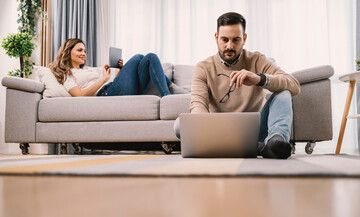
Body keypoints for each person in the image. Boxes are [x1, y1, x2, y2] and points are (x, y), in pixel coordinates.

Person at [184, 12, 300, 159]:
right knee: (179, 126)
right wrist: (205, 129)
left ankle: (274, 142)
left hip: (255, 131)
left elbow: (294, 85)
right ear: (216, 38)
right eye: (224, 39)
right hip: (219, 133)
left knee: (284, 93)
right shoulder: (203, 67)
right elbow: (198, 104)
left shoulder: (257, 60)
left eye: (236, 40)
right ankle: (258, 148)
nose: (229, 46)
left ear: (244, 38)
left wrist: (259, 79)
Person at [49, 38, 188, 97]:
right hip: (106, 94)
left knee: (149, 58)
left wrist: (119, 70)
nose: (83, 54)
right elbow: (78, 95)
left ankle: (170, 90)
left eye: (84, 51)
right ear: (68, 52)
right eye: (79, 50)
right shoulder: (66, 74)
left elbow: (116, 82)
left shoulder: (87, 69)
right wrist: (103, 79)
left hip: (114, 88)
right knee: (139, 57)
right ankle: (168, 94)